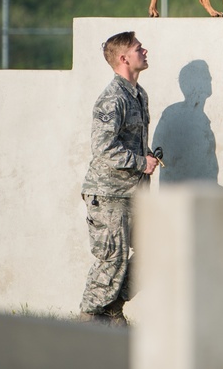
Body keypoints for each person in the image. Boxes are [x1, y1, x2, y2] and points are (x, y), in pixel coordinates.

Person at [79, 30, 161, 324]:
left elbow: (130, 141)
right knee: (112, 259)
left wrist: (148, 156)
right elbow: (103, 148)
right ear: (124, 58)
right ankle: (90, 319)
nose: (145, 51)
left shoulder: (139, 94)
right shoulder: (112, 98)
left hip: (134, 193)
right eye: (139, 48)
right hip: (110, 193)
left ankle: (112, 307)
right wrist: (142, 162)